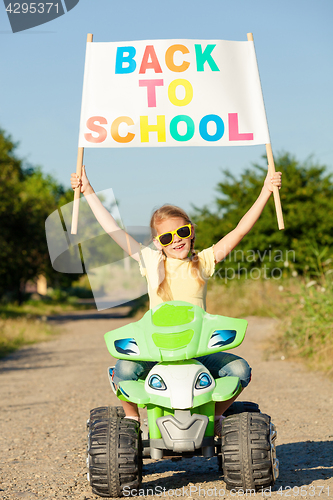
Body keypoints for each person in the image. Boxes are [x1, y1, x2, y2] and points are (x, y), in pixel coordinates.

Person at [71, 166, 282, 434]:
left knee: (240, 370)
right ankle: (132, 421)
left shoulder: (203, 262)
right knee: (123, 372)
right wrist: (87, 190)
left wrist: (266, 190)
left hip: (197, 349)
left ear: (191, 231)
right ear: (158, 242)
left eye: (181, 232)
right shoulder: (149, 260)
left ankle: (215, 417)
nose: (176, 241)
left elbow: (239, 231)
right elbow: (113, 229)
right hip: (155, 350)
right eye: (167, 237)